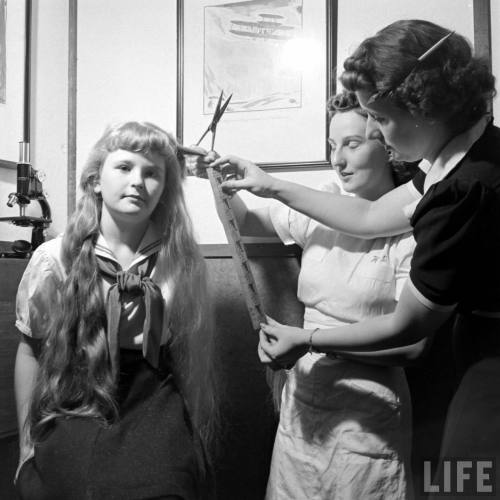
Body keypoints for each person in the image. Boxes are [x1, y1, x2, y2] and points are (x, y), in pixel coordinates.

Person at [210, 19, 500, 495]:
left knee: (471, 485)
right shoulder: (460, 161)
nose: (382, 136)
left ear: (422, 105)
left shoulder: (466, 189)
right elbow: (367, 219)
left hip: (485, 368)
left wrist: (307, 340)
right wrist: (268, 183)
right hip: (317, 406)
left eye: (381, 121)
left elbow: (407, 329)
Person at [190, 91, 419, 499]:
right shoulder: (321, 200)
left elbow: (412, 347)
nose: (339, 159)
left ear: (387, 145)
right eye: (332, 146)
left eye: (352, 144)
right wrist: (218, 177)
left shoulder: (411, 226)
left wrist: (311, 343)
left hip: (369, 412)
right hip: (305, 403)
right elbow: (246, 220)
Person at [14, 121, 218, 500]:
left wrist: (193, 436)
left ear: (165, 190)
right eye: (124, 167)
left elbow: (189, 359)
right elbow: (29, 350)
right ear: (95, 180)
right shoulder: (54, 258)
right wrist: (26, 444)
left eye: (152, 173)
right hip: (76, 396)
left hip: (152, 398)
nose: (138, 181)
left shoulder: (180, 261)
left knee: (168, 488)